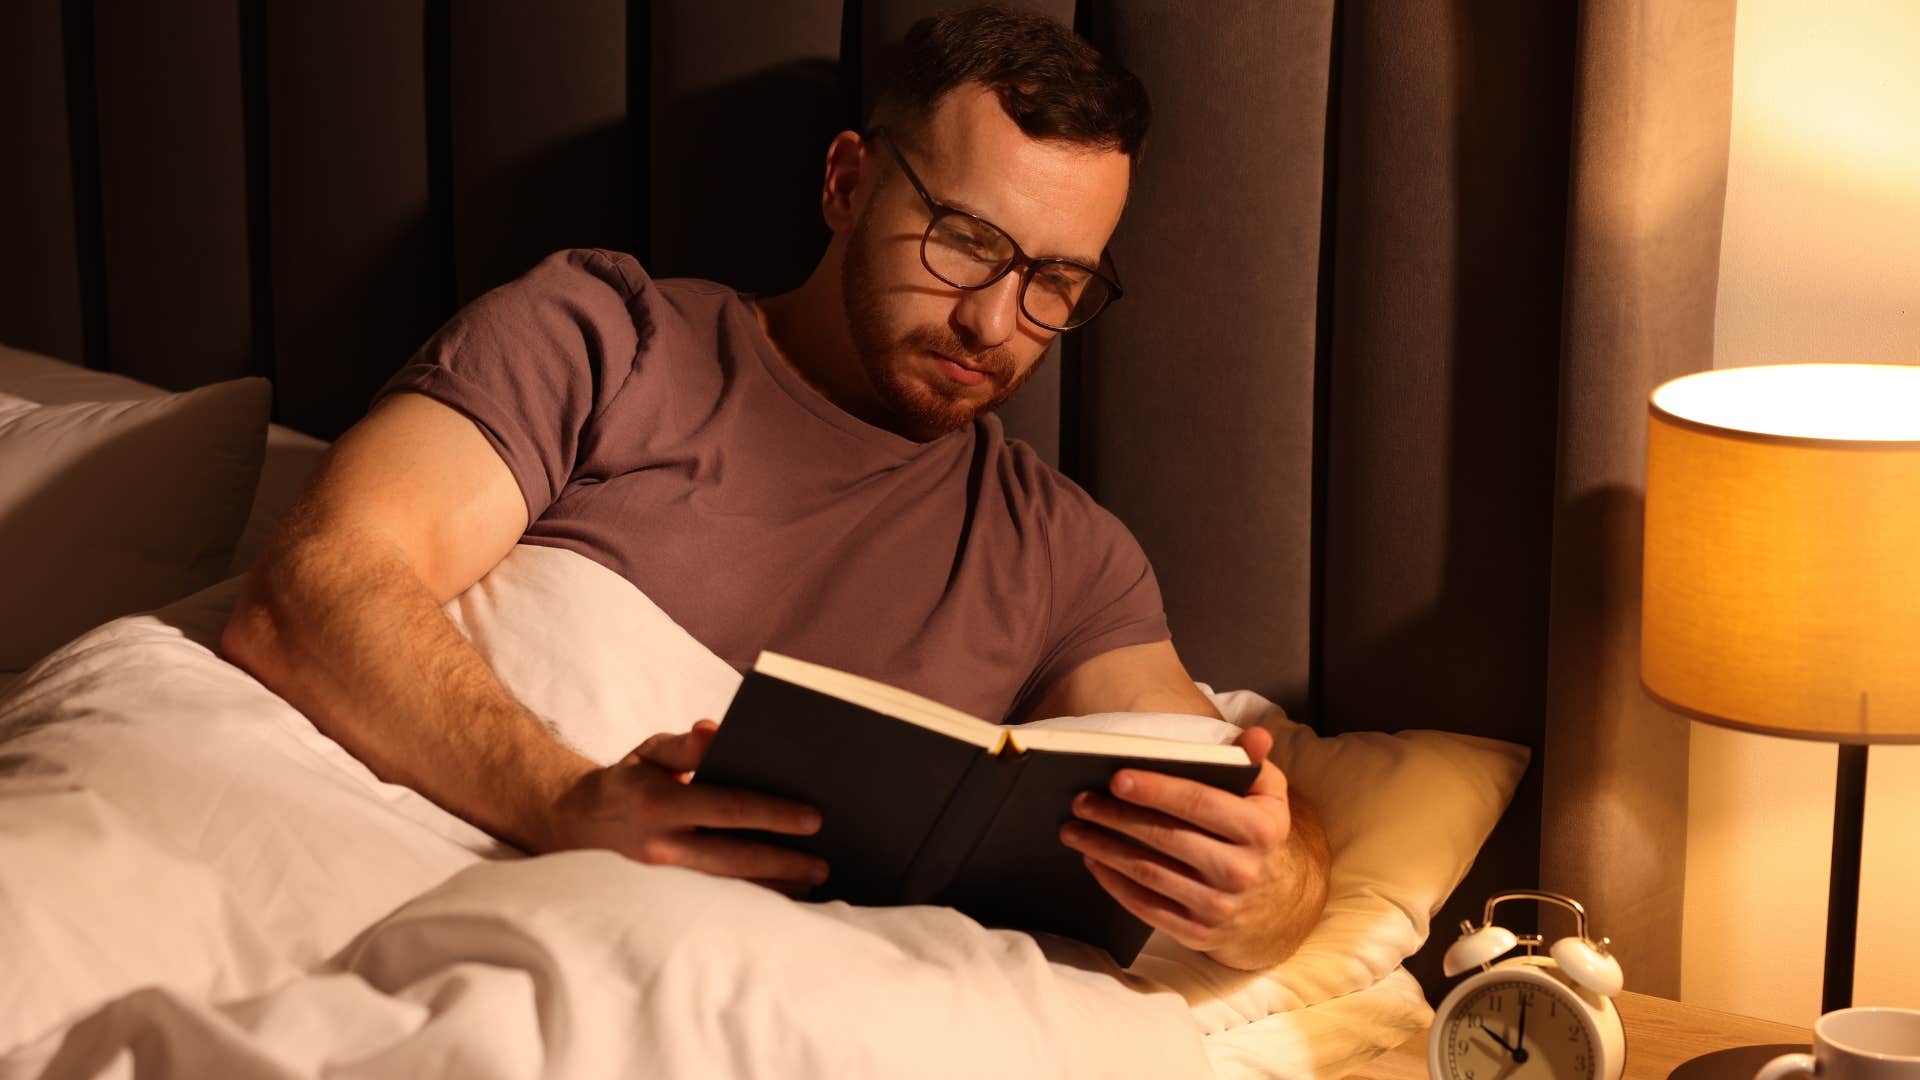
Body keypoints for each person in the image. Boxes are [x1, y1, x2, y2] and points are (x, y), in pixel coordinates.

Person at [221, 5, 1328, 972]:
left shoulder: (1064, 555)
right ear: (847, 182)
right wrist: (564, 804)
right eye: (964, 242)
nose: (995, 322)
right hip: (405, 879)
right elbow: (310, 588)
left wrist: (1262, 889)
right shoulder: (605, 337)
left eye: (1056, 283)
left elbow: (1226, 801)